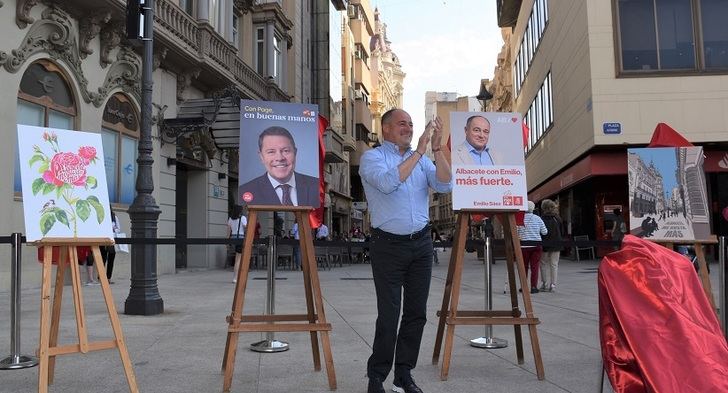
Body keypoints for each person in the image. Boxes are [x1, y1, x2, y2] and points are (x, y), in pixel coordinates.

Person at [360, 108, 452, 393]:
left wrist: (436, 149)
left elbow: (445, 183)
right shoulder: (372, 158)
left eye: (412, 124)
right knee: (388, 314)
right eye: (402, 123)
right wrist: (420, 151)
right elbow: (388, 183)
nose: (409, 128)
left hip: (421, 245)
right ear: (385, 128)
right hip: (387, 246)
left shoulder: (422, 160)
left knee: (416, 314)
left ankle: (403, 374)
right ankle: (377, 376)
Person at [238, 126, 319, 206]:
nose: (279, 158)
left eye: (286, 151)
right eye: (271, 152)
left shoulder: (316, 187)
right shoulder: (246, 190)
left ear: (295, 152)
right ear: (261, 157)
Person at [517, 201, 547, 294]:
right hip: (536, 245)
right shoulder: (538, 218)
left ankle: (523, 286)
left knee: (524, 267)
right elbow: (545, 232)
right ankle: (534, 287)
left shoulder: (520, 219)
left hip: (524, 246)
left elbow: (516, 232)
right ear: (533, 208)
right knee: (535, 267)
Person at [539, 199, 562, 292]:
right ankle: (553, 285)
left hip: (544, 243)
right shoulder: (557, 218)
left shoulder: (541, 218)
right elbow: (562, 231)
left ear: (543, 208)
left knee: (543, 263)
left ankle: (544, 284)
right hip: (557, 243)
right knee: (554, 264)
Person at [227, 206, 247, 283]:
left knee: (237, 259)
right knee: (239, 259)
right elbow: (246, 228)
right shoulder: (243, 218)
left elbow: (228, 232)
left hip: (233, 239)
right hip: (241, 239)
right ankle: (236, 277)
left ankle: (235, 277)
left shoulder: (230, 219)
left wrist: (227, 242)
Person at [102, 208, 119, 284]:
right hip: (103, 240)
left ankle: (108, 278)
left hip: (112, 241)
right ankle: (101, 278)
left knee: (111, 260)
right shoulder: (102, 216)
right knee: (103, 259)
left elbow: (118, 229)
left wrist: (113, 229)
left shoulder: (114, 217)